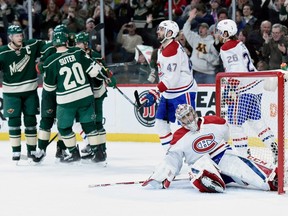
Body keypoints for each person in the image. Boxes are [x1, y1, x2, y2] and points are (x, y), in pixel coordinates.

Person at [142, 104, 278, 192]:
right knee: (198, 170)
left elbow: (225, 136)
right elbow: (172, 159)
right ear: (180, 121)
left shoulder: (214, 121)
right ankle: (209, 181)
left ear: (193, 113)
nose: (188, 119)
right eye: (184, 118)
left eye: (188, 114)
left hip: (223, 156)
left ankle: (271, 179)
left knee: (244, 167)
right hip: (204, 164)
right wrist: (161, 175)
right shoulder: (179, 137)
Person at [42, 31, 111, 163]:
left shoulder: (50, 61)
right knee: (90, 125)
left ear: (54, 44)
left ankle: (74, 153)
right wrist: (107, 77)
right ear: (67, 42)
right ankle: (99, 153)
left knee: (63, 127)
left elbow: (49, 88)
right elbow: (95, 71)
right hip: (86, 95)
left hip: (66, 100)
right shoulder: (78, 53)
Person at [216, 19, 278, 164]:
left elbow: (236, 69)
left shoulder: (226, 47)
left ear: (225, 33)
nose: (218, 34)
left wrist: (231, 89)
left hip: (243, 89)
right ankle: (274, 149)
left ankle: (242, 156)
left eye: (219, 32)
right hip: (255, 86)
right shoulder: (239, 44)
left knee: (234, 123)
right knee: (256, 121)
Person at [142, 20, 197, 150]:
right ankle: (171, 153)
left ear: (170, 33)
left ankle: (198, 155)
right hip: (169, 93)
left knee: (190, 126)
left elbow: (172, 78)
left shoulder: (172, 50)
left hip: (183, 92)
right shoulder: (165, 47)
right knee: (160, 123)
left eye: (161, 29)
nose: (158, 31)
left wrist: (156, 92)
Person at [0, 25, 45, 162]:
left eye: (21, 34)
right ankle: (16, 152)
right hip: (11, 93)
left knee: (31, 120)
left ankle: (31, 151)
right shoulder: (2, 52)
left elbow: (49, 46)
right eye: (17, 35)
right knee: (14, 121)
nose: (20, 37)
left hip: (30, 91)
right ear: (10, 37)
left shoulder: (31, 45)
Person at [74, 31, 116, 160]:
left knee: (97, 122)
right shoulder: (76, 55)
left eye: (79, 43)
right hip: (85, 94)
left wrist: (110, 77)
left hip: (97, 93)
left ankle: (101, 149)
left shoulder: (95, 56)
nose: (77, 45)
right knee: (83, 122)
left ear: (86, 44)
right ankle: (90, 145)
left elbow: (104, 71)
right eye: (76, 43)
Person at [35, 24, 70, 161]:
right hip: (50, 90)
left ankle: (61, 149)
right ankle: (42, 149)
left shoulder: (71, 49)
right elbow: (40, 67)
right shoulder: (48, 48)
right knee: (47, 120)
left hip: (63, 91)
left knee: (64, 121)